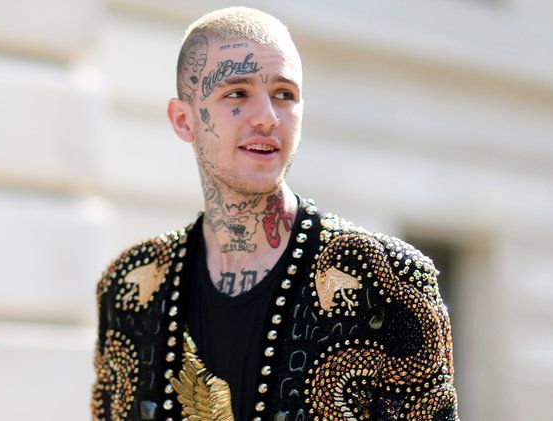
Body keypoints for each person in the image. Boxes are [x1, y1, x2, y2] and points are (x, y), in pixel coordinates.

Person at [91, 6, 459, 421]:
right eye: (237, 93)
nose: (268, 117)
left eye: (285, 94)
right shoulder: (131, 285)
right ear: (183, 120)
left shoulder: (387, 278)